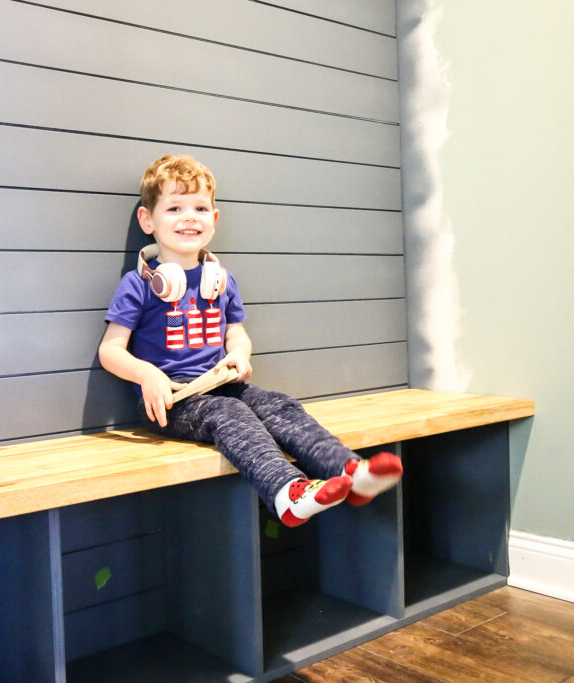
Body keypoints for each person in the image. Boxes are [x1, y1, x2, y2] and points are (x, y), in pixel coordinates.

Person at [98, 154, 402, 526]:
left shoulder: (221, 280)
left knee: (279, 403)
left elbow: (236, 332)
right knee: (230, 413)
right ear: (148, 220)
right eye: (174, 207)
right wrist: (147, 376)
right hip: (174, 403)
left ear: (214, 218)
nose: (189, 216)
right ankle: (287, 494)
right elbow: (110, 350)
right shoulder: (139, 285)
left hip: (220, 386)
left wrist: (239, 354)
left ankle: (350, 472)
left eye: (200, 207)